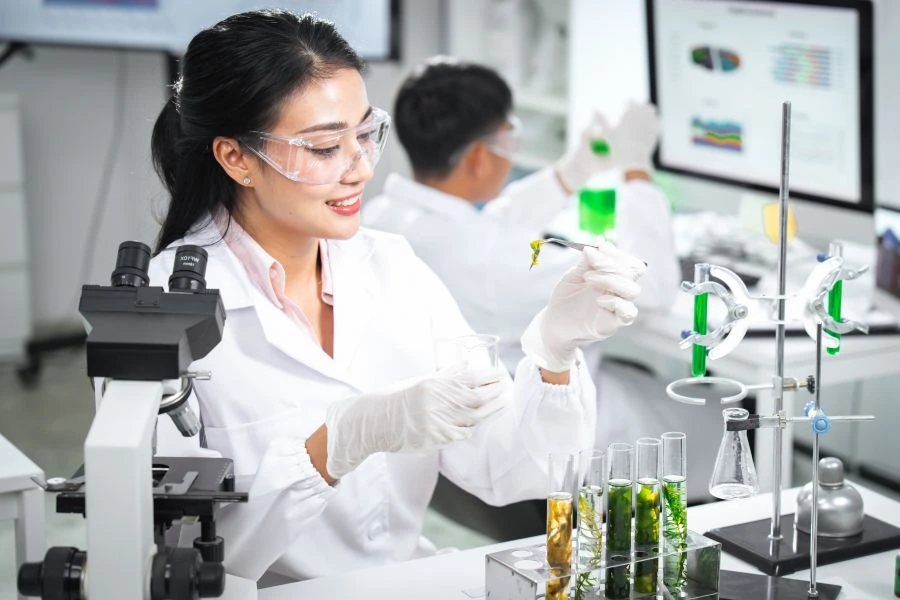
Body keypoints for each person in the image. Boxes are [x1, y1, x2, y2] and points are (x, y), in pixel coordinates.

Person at [148, 10, 647, 583]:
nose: (360, 168)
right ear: (236, 158)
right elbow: (186, 558)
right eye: (323, 148)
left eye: (364, 134)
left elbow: (508, 471)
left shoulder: (392, 266)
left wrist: (554, 355)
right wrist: (335, 444)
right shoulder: (164, 310)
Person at [363, 59, 720, 503]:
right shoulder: (494, 257)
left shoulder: (385, 217)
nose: (511, 149)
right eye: (507, 138)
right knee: (727, 423)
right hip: (554, 437)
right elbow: (652, 286)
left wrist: (571, 173)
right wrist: (636, 171)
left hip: (469, 431)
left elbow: (489, 228)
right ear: (478, 157)